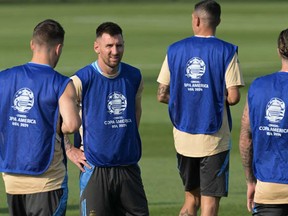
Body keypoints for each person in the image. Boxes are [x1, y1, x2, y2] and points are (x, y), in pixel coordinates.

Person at [157, 0, 244, 215]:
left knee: (190, 201)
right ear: (218, 21)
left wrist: (186, 98)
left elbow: (162, 94)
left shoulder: (175, 49)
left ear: (196, 20)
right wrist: (209, 97)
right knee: (210, 205)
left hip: (183, 138)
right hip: (214, 141)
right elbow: (233, 97)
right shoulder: (227, 51)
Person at [65, 21, 149, 216]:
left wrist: (126, 141)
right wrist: (70, 149)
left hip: (128, 168)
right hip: (95, 169)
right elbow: (57, 118)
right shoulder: (80, 80)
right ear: (97, 47)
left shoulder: (134, 76)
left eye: (119, 45)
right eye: (109, 46)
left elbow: (136, 112)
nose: (115, 51)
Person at [0, 19, 81, 216]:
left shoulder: (3, 78)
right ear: (58, 48)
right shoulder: (61, 83)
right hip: (47, 180)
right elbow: (71, 125)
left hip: (11, 178)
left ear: (32, 44)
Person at [239, 28, 288, 216]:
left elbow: (246, 138)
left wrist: (250, 181)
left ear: (278, 51)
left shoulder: (258, 86)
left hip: (268, 189)